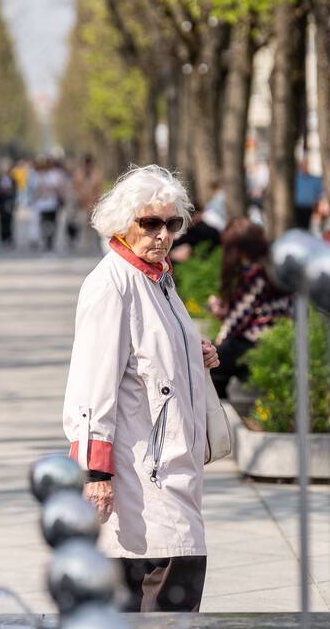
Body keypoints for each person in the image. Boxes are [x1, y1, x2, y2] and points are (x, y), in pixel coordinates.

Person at [63, 164, 220, 613]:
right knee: (164, 596)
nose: (163, 234)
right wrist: (95, 474)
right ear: (123, 223)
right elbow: (92, 386)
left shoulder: (159, 278)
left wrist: (195, 350)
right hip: (141, 478)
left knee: (173, 592)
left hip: (175, 471)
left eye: (172, 224)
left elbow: (150, 353)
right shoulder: (112, 284)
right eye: (150, 223)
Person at [207, 218, 291, 398]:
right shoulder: (273, 265)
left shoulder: (255, 273)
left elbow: (240, 317)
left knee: (210, 361)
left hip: (256, 341)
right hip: (279, 337)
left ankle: (217, 412)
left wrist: (220, 339)